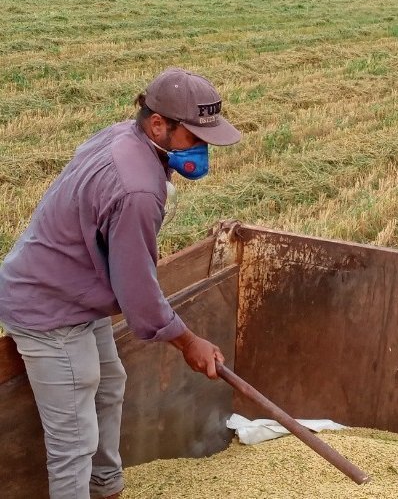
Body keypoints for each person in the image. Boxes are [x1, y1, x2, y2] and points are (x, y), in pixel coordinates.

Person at [0, 67, 242, 499]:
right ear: (157, 125)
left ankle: (106, 486)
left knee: (108, 383)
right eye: (196, 138)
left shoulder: (124, 136)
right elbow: (140, 297)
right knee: (73, 442)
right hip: (50, 306)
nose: (204, 149)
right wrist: (189, 343)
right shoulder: (137, 191)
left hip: (80, 285)